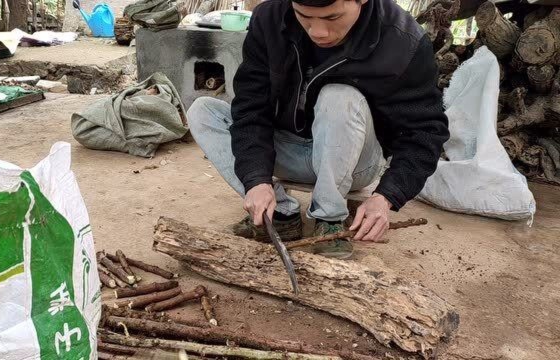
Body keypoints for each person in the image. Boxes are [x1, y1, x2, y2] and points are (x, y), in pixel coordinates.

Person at [187, 0, 449, 257]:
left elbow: (425, 131)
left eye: (332, 18)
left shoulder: (403, 39)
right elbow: (251, 107)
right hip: (285, 152)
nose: (317, 32)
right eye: (304, 15)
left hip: (355, 161)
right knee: (203, 111)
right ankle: (280, 214)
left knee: (339, 96)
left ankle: (329, 218)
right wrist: (255, 179)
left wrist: (387, 196)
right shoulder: (269, 20)